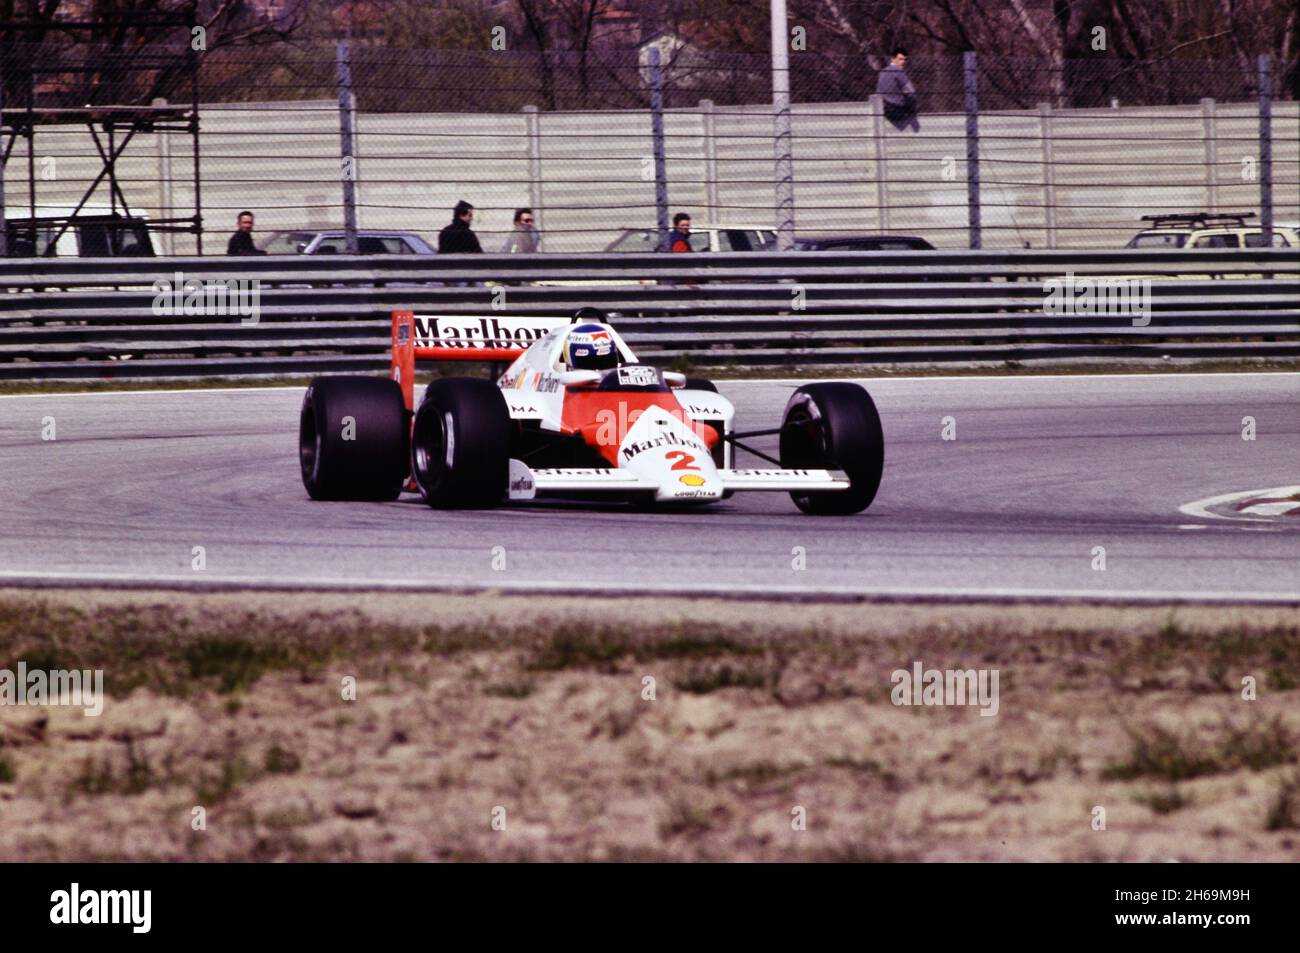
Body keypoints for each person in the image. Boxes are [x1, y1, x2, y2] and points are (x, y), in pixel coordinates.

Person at [876, 47, 920, 132]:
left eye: (904, 59)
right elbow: (911, 92)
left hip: (883, 108)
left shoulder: (882, 72)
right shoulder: (899, 72)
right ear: (892, 59)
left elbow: (878, 91)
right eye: (900, 59)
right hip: (898, 109)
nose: (903, 62)